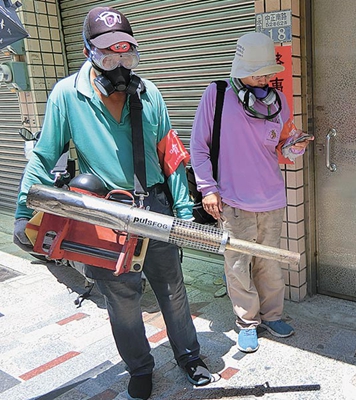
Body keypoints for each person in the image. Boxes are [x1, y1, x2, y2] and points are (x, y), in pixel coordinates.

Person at [12, 6, 218, 399]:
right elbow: (44, 154)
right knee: (122, 300)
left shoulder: (149, 92)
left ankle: (189, 356)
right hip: (105, 213)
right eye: (108, 55)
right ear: (88, 52)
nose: (119, 64)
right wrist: (24, 210)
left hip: (155, 206)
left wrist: (183, 212)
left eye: (126, 54)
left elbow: (171, 155)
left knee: (172, 288)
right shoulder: (67, 95)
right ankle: (140, 368)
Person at [190, 32, 311, 353]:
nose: (264, 78)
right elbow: (199, 147)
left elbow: (281, 146)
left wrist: (294, 146)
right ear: (240, 66)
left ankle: (273, 315)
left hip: (272, 198)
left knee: (269, 263)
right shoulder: (217, 94)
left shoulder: (279, 100)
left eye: (268, 71)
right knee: (238, 264)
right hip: (233, 200)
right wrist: (208, 188)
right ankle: (247, 321)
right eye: (257, 71)